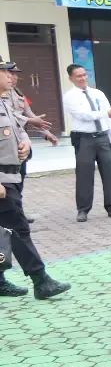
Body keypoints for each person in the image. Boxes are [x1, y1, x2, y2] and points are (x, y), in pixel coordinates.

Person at [0, 59, 70, 299]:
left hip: (11, 172)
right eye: (4, 72)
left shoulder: (5, 101)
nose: (10, 76)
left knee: (3, 229)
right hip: (1, 179)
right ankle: (41, 280)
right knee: (18, 229)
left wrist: (27, 142)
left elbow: (18, 127)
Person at [62, 63, 111, 222]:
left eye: (84, 75)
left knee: (109, 173)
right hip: (84, 138)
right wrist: (105, 113)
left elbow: (110, 117)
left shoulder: (98, 93)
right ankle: (83, 209)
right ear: (71, 78)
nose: (82, 78)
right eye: (78, 76)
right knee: (84, 175)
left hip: (102, 137)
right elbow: (83, 115)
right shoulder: (69, 96)